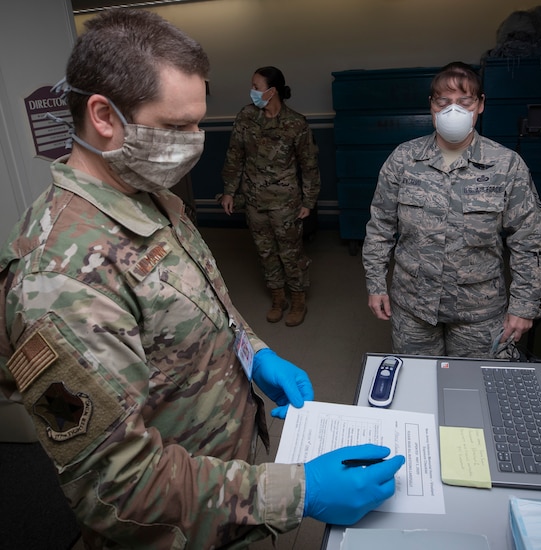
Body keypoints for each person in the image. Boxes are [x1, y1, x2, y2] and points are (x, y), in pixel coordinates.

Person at [0, 10, 403, 549]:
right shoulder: (61, 276)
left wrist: (253, 350)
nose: (195, 142)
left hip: (224, 479)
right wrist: (298, 493)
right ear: (103, 115)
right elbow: (118, 489)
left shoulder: (153, 200)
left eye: (197, 123)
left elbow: (204, 299)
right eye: (174, 127)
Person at [362, 61, 541, 359]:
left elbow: (529, 241)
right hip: (414, 308)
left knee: (477, 392)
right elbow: (380, 228)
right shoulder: (404, 159)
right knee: (417, 386)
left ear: (480, 105)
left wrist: (524, 306)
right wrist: (375, 284)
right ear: (432, 106)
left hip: (480, 312)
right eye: (444, 102)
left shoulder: (506, 165)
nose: (454, 110)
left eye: (464, 102)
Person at [221, 66, 320, 327]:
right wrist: (229, 191)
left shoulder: (295, 123)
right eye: (252, 86)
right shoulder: (246, 116)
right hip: (254, 199)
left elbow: (309, 164)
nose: (252, 91)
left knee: (291, 252)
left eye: (256, 86)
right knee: (265, 252)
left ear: (272, 91)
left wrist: (309, 202)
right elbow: (235, 155)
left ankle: (298, 300)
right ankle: (278, 298)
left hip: (285, 202)